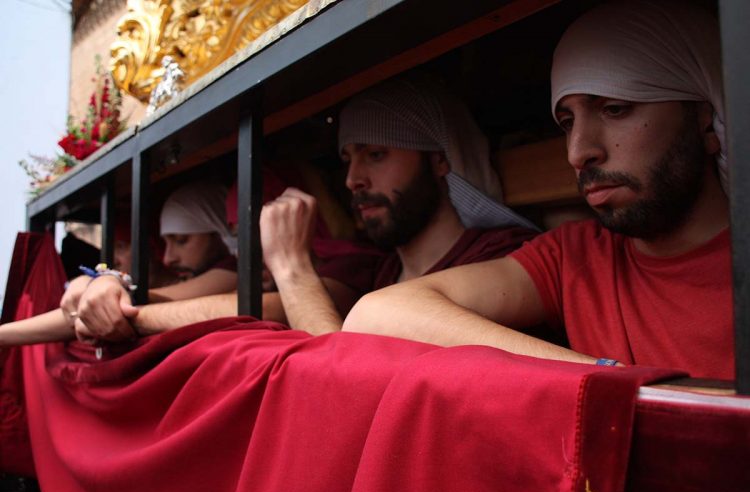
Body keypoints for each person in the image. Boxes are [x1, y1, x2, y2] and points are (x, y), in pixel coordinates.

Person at [343, 1, 733, 380]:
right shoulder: (574, 257)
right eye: (566, 123)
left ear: (705, 119)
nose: (579, 152)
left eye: (614, 109)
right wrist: (608, 380)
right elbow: (376, 315)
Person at [70, 74, 538, 341]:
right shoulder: (378, 275)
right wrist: (112, 287)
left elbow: (350, 378)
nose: (354, 179)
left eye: (377, 155)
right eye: (347, 159)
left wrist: (293, 267)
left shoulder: (501, 258)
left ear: (440, 159)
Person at [0, 181, 237, 346]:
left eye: (182, 240)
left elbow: (138, 301)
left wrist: (105, 284)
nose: (168, 258)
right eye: (166, 244)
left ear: (220, 233)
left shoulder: (233, 270)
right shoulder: (201, 273)